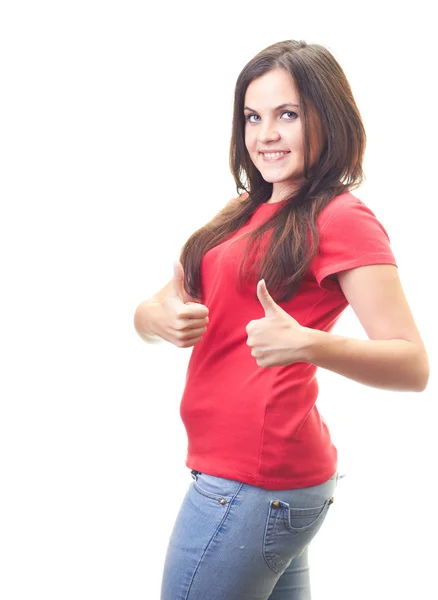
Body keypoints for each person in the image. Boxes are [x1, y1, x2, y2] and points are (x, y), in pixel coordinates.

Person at [133, 39, 429, 599]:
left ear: (329, 118)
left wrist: (308, 343)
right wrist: (157, 318)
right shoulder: (242, 213)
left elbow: (412, 364)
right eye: (253, 117)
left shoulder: (342, 218)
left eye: (287, 115)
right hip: (248, 479)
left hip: (251, 483)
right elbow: (151, 308)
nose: (266, 134)